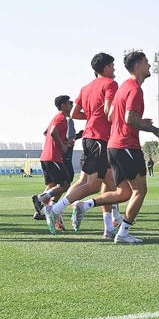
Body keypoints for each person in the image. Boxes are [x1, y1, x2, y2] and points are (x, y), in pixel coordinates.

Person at [68, 51, 159, 244]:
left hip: (113, 145)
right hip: (126, 145)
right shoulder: (135, 89)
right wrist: (154, 129)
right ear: (137, 66)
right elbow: (129, 118)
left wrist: (134, 121)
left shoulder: (122, 87)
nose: (149, 66)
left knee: (123, 193)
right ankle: (123, 233)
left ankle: (85, 205)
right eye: (146, 63)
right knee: (140, 191)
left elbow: (113, 115)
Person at [48, 53, 123, 238]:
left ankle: (109, 228)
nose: (114, 69)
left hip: (90, 138)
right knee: (92, 186)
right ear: (105, 68)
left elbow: (74, 113)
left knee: (110, 183)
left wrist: (91, 116)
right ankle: (55, 209)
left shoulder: (86, 87)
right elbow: (108, 111)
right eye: (112, 66)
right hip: (100, 139)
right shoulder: (110, 84)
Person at [34, 95, 75, 234]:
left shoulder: (57, 118)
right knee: (65, 185)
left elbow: (47, 132)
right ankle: (41, 199)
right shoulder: (61, 117)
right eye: (70, 103)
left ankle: (53, 217)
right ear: (63, 105)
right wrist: (62, 146)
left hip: (46, 157)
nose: (71, 105)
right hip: (53, 158)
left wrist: (65, 142)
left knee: (53, 187)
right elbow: (52, 132)